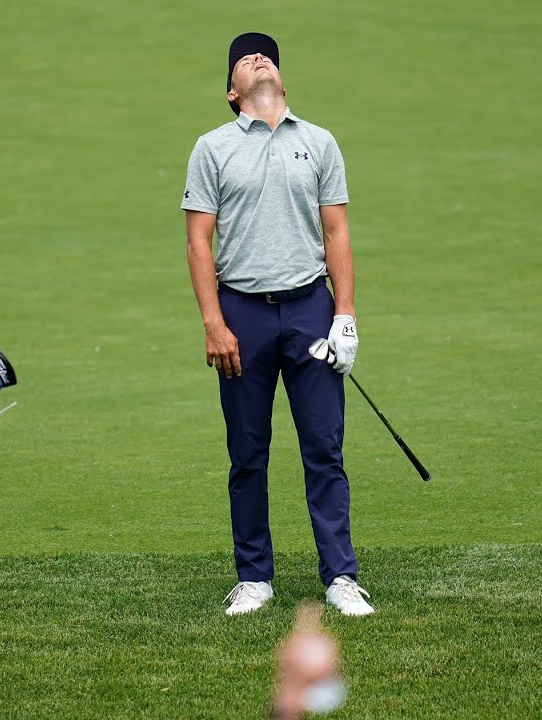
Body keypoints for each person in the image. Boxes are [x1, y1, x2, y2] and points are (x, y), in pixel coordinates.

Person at [182, 33, 374, 617]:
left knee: (324, 445)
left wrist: (345, 318)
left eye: (266, 55)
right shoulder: (211, 148)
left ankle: (340, 575)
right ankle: (255, 577)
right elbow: (198, 240)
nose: (258, 58)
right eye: (244, 57)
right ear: (232, 92)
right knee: (248, 450)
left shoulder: (318, 142)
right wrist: (213, 322)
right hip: (241, 311)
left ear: (282, 82)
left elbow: (336, 232)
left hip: (310, 307)